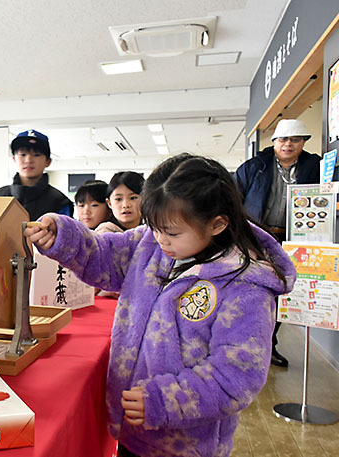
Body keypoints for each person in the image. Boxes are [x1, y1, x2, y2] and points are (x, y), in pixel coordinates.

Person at [25, 153, 295, 457]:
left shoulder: (244, 285)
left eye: (172, 232)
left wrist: (164, 400)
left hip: (185, 443)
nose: (160, 239)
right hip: (133, 427)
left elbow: (237, 374)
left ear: (217, 224)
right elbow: (104, 256)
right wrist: (62, 236)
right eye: (154, 226)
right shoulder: (151, 242)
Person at [235, 118, 320, 367]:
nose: (288, 144)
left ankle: (268, 345)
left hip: (295, 239)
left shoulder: (315, 166)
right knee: (251, 290)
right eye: (283, 139)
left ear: (303, 142)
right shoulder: (254, 167)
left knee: (280, 293)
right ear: (274, 142)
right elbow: (234, 199)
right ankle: (242, 343)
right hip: (257, 238)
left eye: (295, 139)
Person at [0, 130, 73, 220]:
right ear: (14, 159)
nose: (28, 160)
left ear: (48, 161)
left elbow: (65, 232)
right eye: (22, 154)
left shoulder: (59, 201)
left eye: (36, 155)